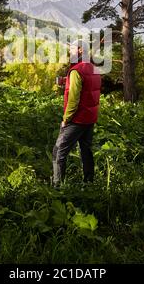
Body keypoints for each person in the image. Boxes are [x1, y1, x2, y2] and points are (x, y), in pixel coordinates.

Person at [52, 39, 101, 188]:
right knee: (86, 151)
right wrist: (66, 81)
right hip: (89, 119)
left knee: (58, 152)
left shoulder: (76, 71)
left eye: (72, 48)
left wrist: (66, 120)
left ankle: (57, 187)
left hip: (76, 120)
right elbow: (89, 86)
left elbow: (73, 100)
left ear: (80, 50)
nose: (70, 51)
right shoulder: (94, 68)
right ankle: (89, 184)